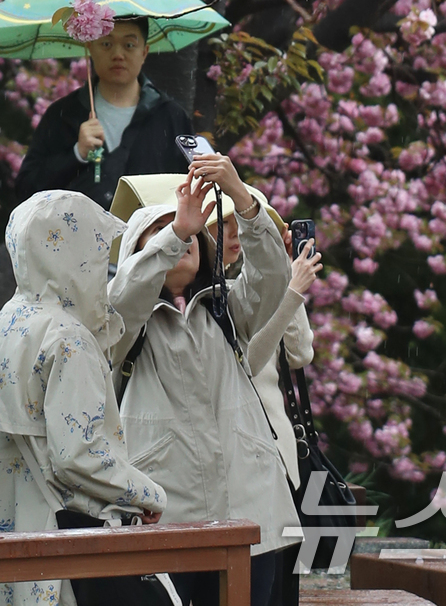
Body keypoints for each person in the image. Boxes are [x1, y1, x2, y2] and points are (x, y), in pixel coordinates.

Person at [109, 159, 302, 606]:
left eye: (191, 232)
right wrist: (175, 232)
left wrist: (240, 196)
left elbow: (272, 280)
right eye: (160, 231)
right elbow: (122, 298)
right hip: (167, 513)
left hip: (250, 505)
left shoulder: (225, 308)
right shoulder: (123, 323)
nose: (181, 235)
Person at [0, 189, 166, 606]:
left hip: (8, 536)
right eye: (97, 251)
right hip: (60, 547)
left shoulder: (8, 320)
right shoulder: (68, 338)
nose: (102, 264)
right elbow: (76, 454)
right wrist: (146, 493)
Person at [14, 19, 193, 211]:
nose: (117, 54)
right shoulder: (63, 115)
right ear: (90, 48)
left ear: (144, 52)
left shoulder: (170, 117)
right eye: (106, 44)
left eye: (129, 45)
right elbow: (27, 190)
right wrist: (77, 154)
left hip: (150, 239)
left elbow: (190, 193)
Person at [237, 224, 320, 606]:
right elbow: (247, 362)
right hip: (238, 450)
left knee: (281, 583)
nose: (235, 237)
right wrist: (290, 291)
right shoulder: (219, 292)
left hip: (279, 451)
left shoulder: (267, 282)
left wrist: (288, 277)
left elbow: (301, 352)